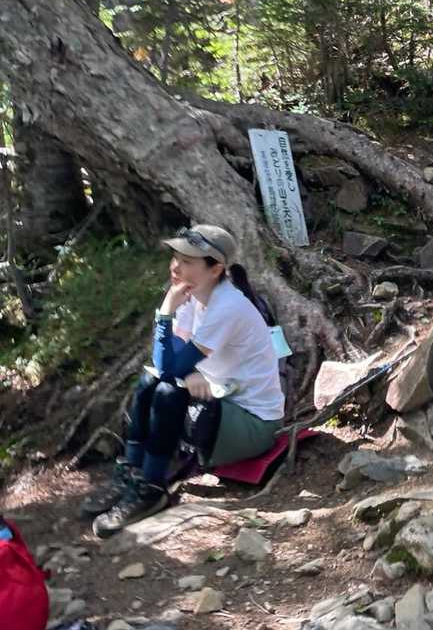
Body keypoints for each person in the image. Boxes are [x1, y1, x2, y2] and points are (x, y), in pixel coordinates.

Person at [82, 225, 285, 537]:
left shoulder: (227, 306)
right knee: (148, 383)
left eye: (187, 261)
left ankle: (152, 489)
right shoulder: (191, 297)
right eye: (175, 257)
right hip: (222, 401)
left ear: (215, 269)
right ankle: (132, 472)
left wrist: (165, 312)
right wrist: (187, 370)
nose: (175, 267)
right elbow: (165, 363)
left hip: (253, 424)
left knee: (168, 391)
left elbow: (170, 368)